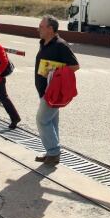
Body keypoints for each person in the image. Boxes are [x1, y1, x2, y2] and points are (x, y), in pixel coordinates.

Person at [34, 15, 79, 165]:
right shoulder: (44, 43)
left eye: (41, 26)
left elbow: (75, 66)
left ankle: (53, 152)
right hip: (45, 91)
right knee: (52, 122)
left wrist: (53, 68)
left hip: (53, 92)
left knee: (41, 120)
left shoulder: (61, 45)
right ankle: (52, 152)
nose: (38, 29)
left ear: (50, 29)